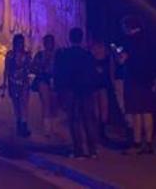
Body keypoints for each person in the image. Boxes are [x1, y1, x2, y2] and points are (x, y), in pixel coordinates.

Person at [55, 28, 99, 158]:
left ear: (70, 38)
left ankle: (78, 150)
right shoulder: (88, 55)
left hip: (71, 90)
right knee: (88, 120)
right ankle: (92, 150)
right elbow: (93, 73)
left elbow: (61, 73)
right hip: (86, 90)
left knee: (74, 120)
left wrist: (60, 89)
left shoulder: (65, 54)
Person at [119, 16, 156, 154]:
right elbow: (155, 60)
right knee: (147, 111)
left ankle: (136, 143)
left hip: (133, 80)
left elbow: (123, 60)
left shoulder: (128, 42)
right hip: (147, 80)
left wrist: (119, 56)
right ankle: (148, 142)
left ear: (128, 27)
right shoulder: (149, 40)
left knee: (136, 112)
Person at [1, 34, 33, 137]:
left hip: (24, 83)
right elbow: (6, 69)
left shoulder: (27, 55)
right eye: (18, 43)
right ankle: (18, 124)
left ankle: (24, 125)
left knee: (24, 103)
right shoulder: (10, 55)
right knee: (16, 105)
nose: (20, 45)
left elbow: (29, 69)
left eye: (21, 43)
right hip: (13, 82)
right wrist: (4, 83)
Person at [31, 34, 58, 138]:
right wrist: (42, 67)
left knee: (54, 104)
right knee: (46, 103)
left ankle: (53, 127)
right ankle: (47, 130)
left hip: (55, 81)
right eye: (47, 42)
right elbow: (33, 68)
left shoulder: (58, 55)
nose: (49, 45)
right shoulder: (40, 55)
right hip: (43, 79)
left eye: (51, 42)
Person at [90, 39, 113, 143]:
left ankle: (100, 131)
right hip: (97, 83)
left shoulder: (106, 57)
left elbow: (111, 71)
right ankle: (99, 132)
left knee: (102, 108)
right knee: (98, 108)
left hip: (102, 83)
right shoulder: (93, 57)